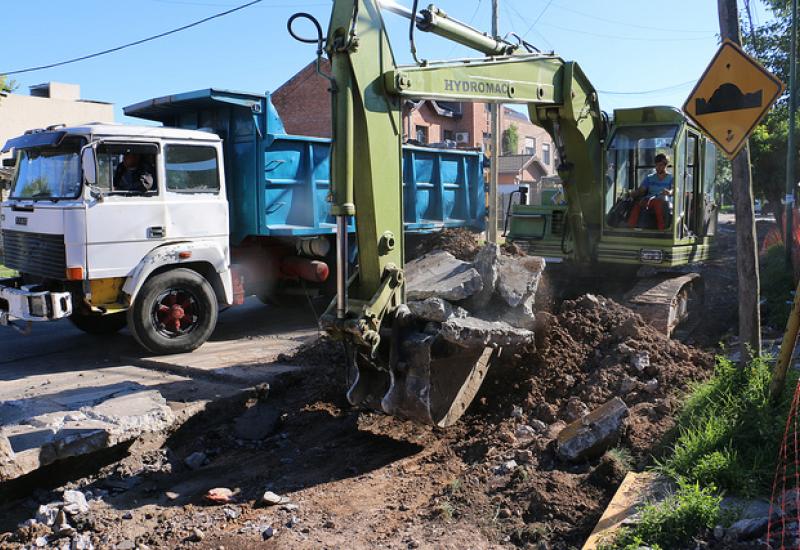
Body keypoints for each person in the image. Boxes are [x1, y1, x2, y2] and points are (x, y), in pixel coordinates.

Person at [627, 153, 673, 230]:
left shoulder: (671, 178)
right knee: (638, 205)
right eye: (657, 165)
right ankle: (631, 228)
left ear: (666, 165)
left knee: (657, 204)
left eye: (661, 165)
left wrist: (669, 192)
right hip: (649, 200)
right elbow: (642, 189)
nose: (658, 167)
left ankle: (662, 229)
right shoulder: (650, 178)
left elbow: (674, 189)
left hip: (664, 201)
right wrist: (633, 193)